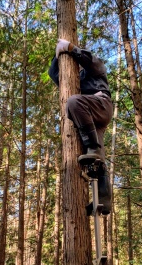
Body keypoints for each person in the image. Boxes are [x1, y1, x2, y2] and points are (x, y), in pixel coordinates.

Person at [48, 39, 113, 215]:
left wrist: (70, 48)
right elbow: (55, 75)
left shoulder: (96, 69)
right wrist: (57, 57)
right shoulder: (78, 80)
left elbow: (90, 60)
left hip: (100, 104)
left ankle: (93, 147)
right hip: (89, 117)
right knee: (97, 159)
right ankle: (104, 198)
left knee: (73, 101)